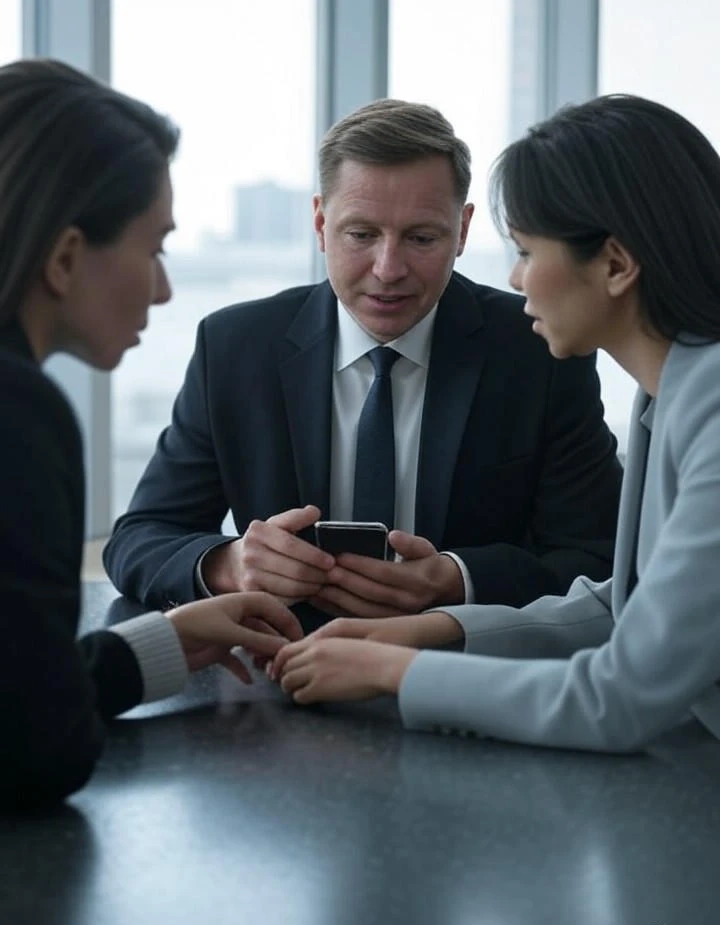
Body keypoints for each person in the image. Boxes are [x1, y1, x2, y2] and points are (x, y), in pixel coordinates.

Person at [272, 93, 720, 754]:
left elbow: (615, 700)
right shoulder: (676, 391)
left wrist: (399, 672)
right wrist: (439, 629)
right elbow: (624, 604)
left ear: (617, 265)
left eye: (527, 250)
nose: (514, 279)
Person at [103, 99, 622, 630]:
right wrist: (228, 564)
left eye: (421, 238)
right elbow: (140, 538)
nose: (388, 269)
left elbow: (599, 557)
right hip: (281, 665)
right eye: (361, 235)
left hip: (467, 673)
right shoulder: (235, 347)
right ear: (320, 222)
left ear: (462, 231)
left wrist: (459, 579)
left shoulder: (538, 347)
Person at [0, 58, 302, 810]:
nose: (165, 287)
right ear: (67, 257)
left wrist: (158, 645)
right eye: (155, 246)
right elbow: (38, 750)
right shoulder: (19, 413)